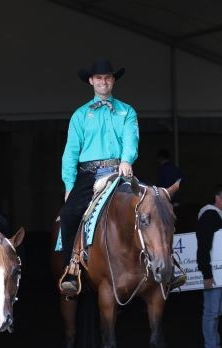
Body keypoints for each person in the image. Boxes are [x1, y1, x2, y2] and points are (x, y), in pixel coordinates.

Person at [59, 59, 139, 293]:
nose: (103, 81)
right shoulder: (80, 115)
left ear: (113, 80)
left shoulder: (127, 111)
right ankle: (70, 270)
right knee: (68, 214)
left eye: (108, 77)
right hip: (89, 174)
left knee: (151, 206)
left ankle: (162, 264)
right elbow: (71, 151)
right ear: (91, 81)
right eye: (99, 78)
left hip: (120, 169)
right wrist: (69, 184)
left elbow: (131, 139)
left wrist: (126, 160)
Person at [196, 184, 222, 348]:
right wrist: (207, 274)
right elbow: (203, 246)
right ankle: (211, 345)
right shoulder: (210, 215)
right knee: (211, 313)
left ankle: (214, 342)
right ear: (217, 198)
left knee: (216, 312)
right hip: (213, 274)